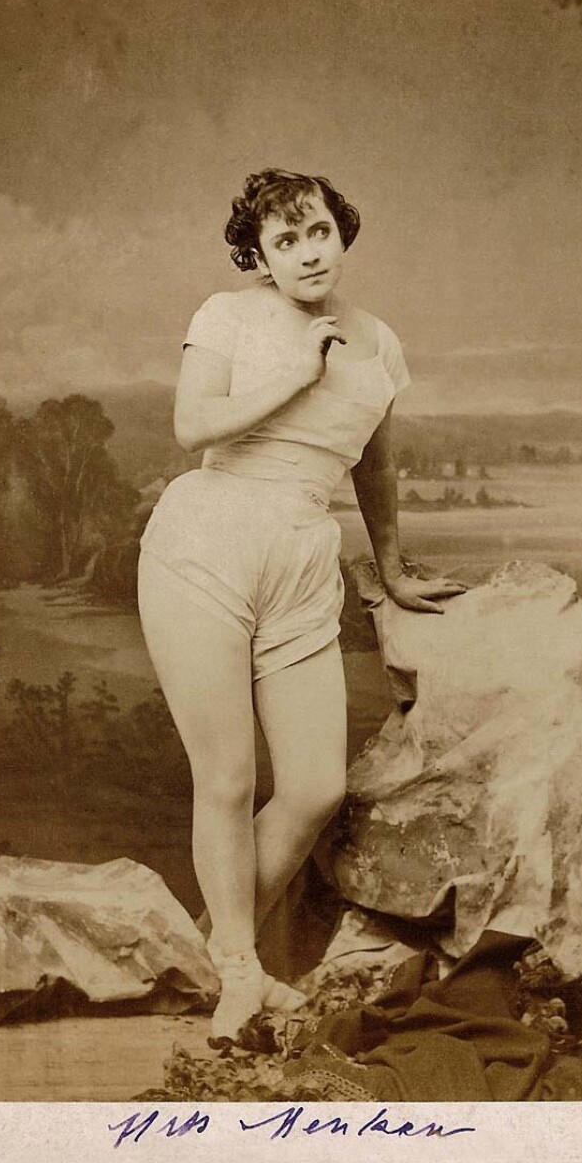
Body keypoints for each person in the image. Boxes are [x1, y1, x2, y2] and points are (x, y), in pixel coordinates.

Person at [137, 168, 465, 1042]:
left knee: (316, 785)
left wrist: (391, 570)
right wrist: (292, 372)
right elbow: (192, 427)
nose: (308, 251)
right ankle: (242, 975)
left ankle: (220, 956)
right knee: (228, 777)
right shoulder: (227, 316)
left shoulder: (380, 343)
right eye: (285, 240)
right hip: (206, 541)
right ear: (260, 256)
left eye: (318, 230)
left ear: (340, 231)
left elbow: (374, 466)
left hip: (302, 554)